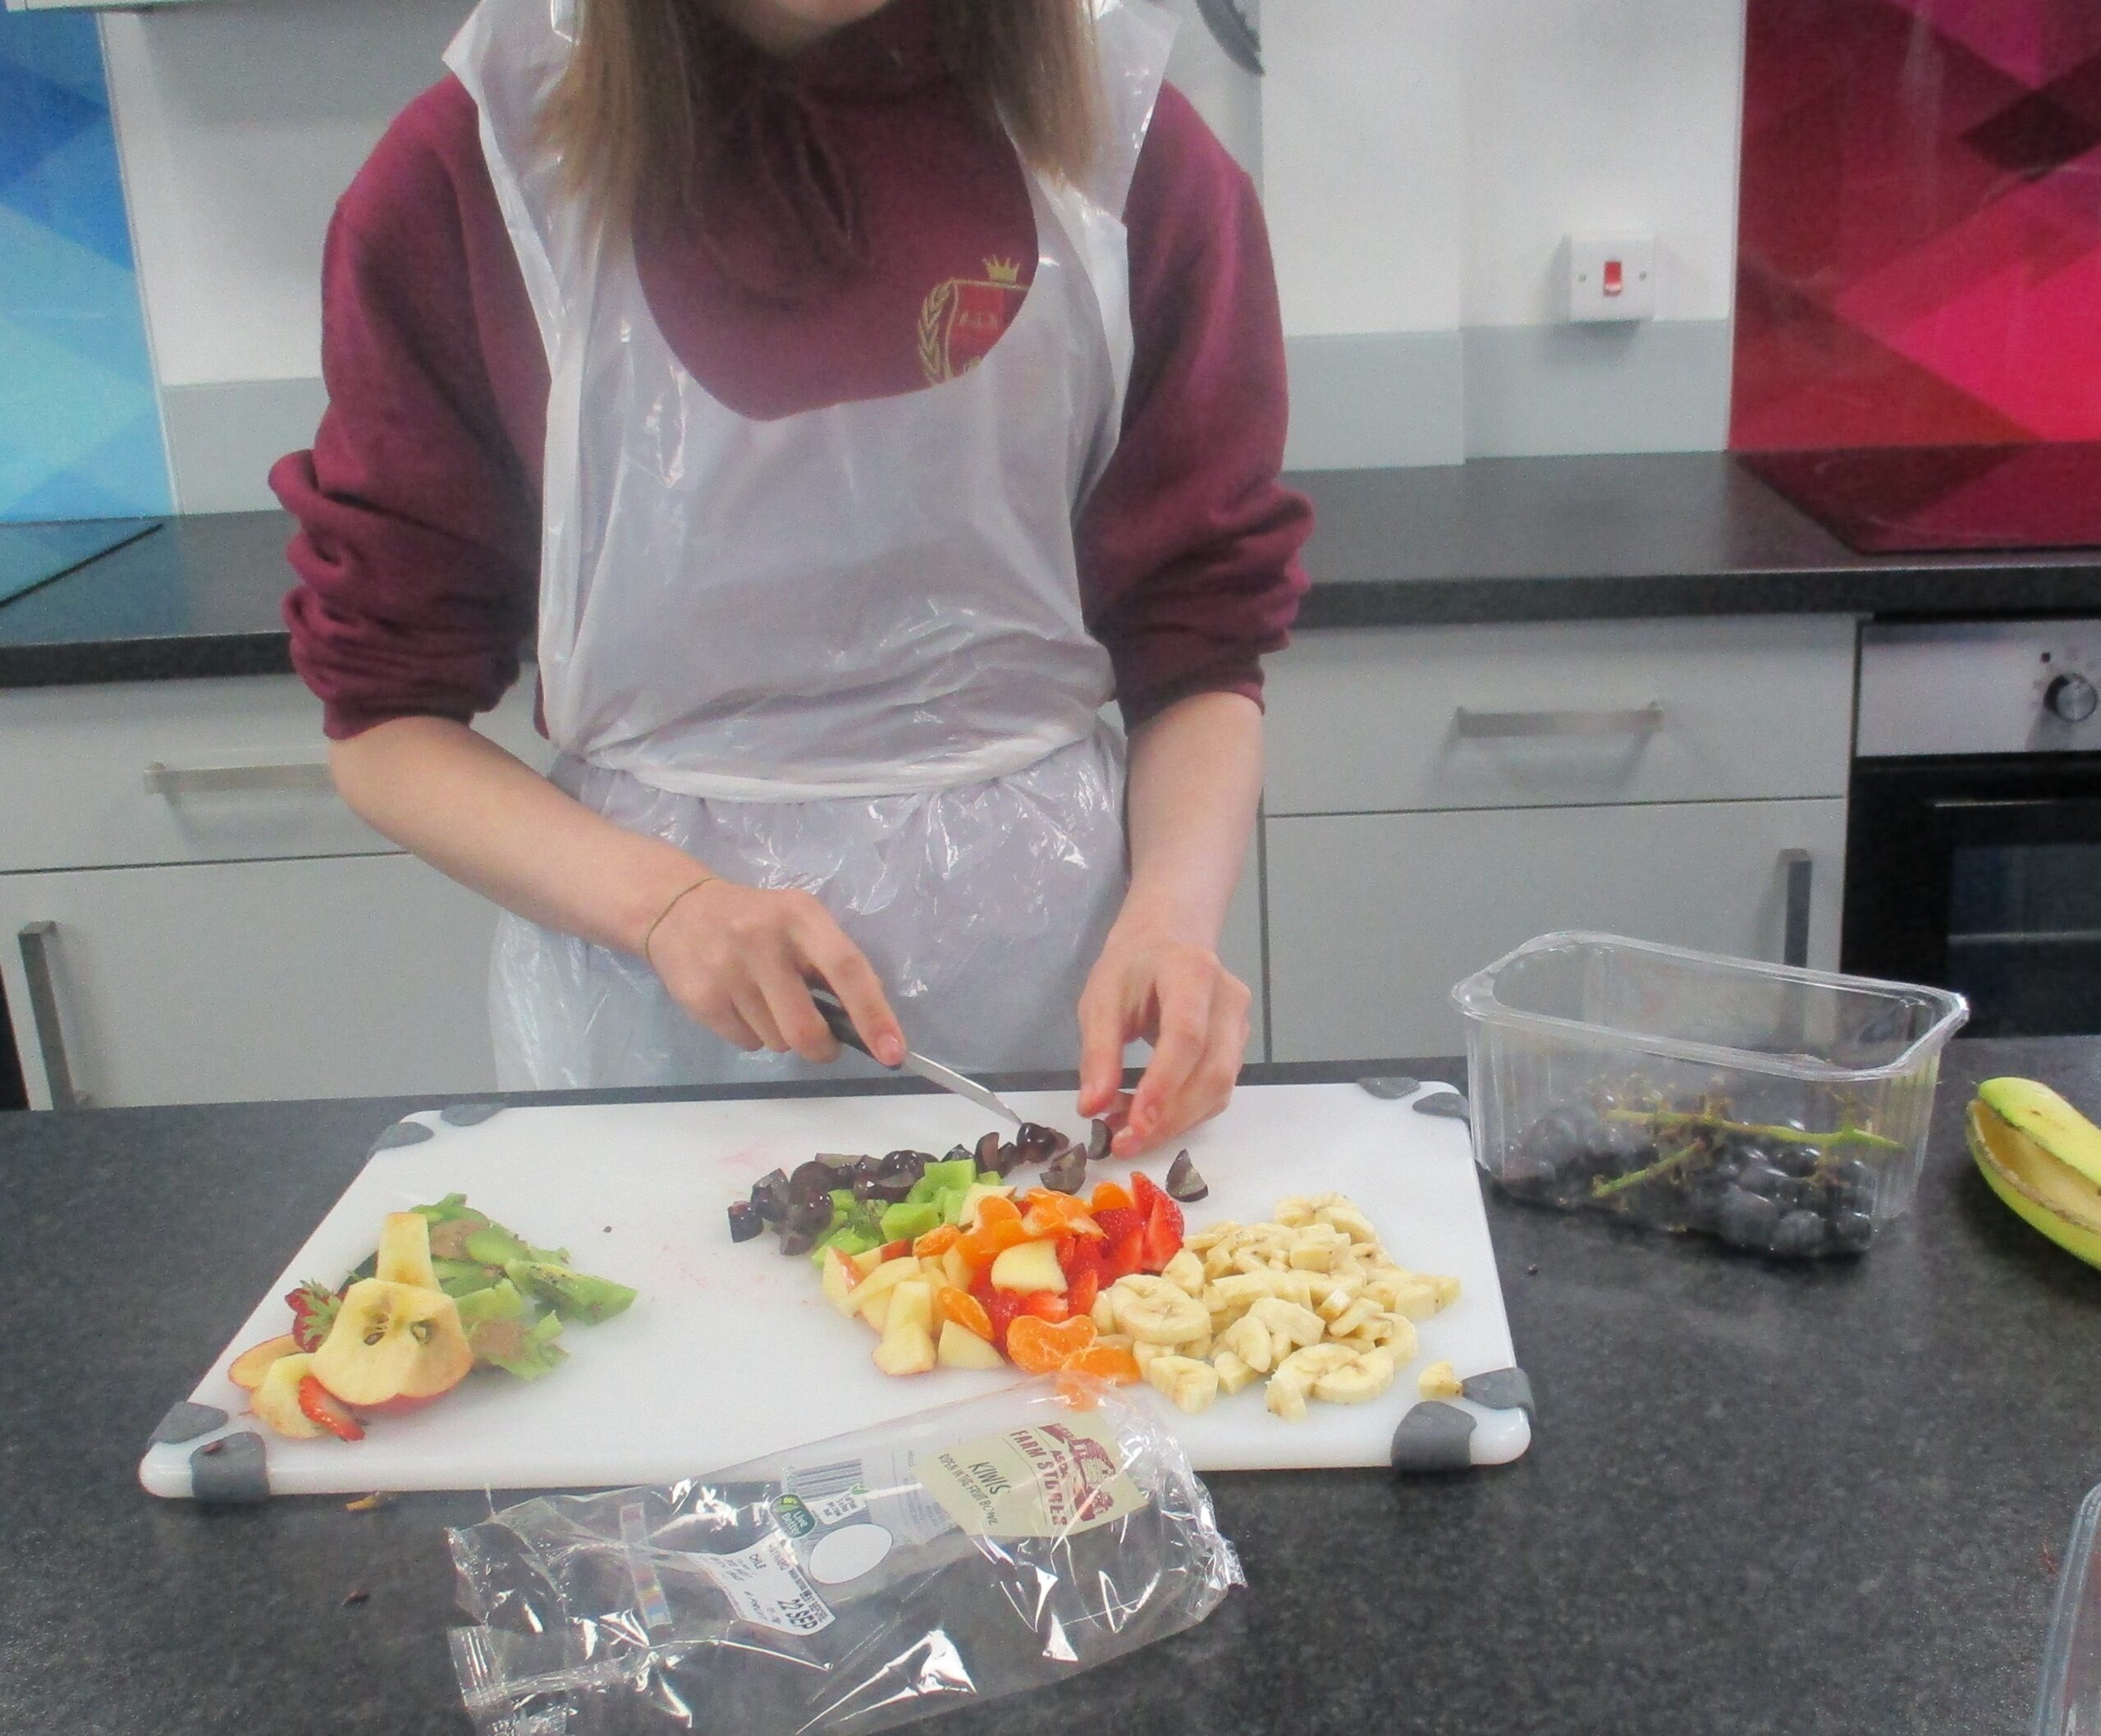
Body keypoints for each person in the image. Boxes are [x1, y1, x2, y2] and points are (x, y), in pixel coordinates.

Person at [272, 0, 1310, 1157]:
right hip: (651, 1015)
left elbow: (1202, 649)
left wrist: (1172, 918)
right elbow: (383, 725)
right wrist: (666, 908)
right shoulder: (475, 174)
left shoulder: (1128, 150)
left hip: (1056, 1000)